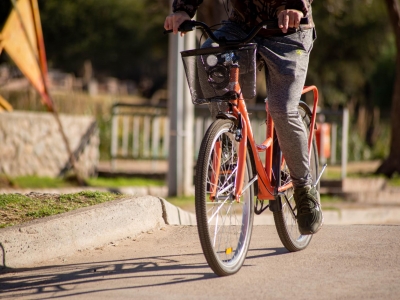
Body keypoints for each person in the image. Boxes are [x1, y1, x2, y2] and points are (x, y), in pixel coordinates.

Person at [164, 0, 322, 235]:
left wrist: (296, 6)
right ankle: (227, 135)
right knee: (207, 55)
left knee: (281, 108)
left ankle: (303, 188)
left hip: (289, 30)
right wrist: (182, 11)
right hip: (241, 27)